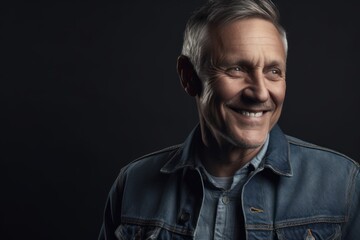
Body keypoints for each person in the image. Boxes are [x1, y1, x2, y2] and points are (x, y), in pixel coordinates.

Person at [98, 0, 360, 239]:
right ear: (189, 77)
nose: (259, 92)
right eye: (236, 68)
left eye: (273, 71)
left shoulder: (343, 185)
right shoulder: (132, 184)